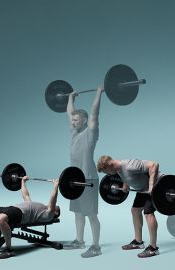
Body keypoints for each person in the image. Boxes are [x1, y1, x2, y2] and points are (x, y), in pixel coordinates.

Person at [0, 177, 60, 259]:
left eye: (56, 207)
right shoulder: (36, 206)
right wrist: (23, 182)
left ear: (55, 213)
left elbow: (53, 200)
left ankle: (9, 250)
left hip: (21, 214)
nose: (54, 206)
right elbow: (26, 195)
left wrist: (55, 186)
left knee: (1, 218)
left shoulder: (48, 215)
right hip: (10, 208)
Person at [63, 87, 102, 258]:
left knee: (91, 215)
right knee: (78, 213)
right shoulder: (74, 132)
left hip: (88, 179)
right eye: (72, 121)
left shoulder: (90, 133)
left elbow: (94, 113)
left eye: (76, 120)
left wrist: (99, 93)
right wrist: (71, 97)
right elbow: (70, 112)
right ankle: (79, 240)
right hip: (74, 179)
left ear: (85, 121)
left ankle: (96, 246)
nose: (73, 122)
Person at [97, 155, 160, 258]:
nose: (108, 175)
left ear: (111, 165)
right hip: (143, 189)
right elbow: (126, 177)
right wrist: (125, 186)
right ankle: (138, 242)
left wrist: (151, 185)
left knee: (148, 213)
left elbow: (154, 164)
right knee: (135, 210)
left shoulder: (130, 165)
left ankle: (153, 248)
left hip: (156, 186)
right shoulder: (117, 169)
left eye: (107, 171)